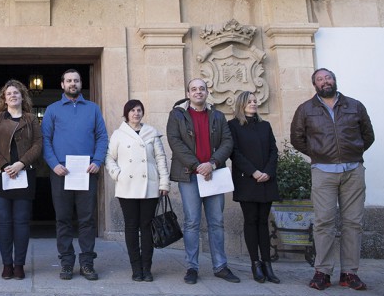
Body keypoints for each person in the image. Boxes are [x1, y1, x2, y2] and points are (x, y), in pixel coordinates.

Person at [290, 68, 375, 291]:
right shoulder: (306, 109)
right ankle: (323, 272)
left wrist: (352, 152)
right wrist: (319, 154)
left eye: (328, 78)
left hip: (352, 171)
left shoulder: (354, 105)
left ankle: (349, 272)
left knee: (353, 223)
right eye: (320, 79)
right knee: (323, 222)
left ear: (334, 80)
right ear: (314, 85)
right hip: (323, 172)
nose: (324, 81)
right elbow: (297, 138)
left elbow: (368, 135)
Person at [166, 78, 239, 285]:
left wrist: (213, 164)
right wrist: (199, 166)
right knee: (192, 222)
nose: (198, 92)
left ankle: (220, 266)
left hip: (214, 174)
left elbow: (228, 142)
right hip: (189, 175)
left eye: (202, 89)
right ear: (188, 93)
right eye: (194, 89)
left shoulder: (217, 116)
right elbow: (175, 142)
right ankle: (192, 267)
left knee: (216, 221)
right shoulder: (177, 115)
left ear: (207, 92)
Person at [42, 69, 108, 281]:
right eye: (69, 81)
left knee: (87, 219)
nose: (73, 84)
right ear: (62, 84)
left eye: (76, 80)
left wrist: (97, 161)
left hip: (87, 171)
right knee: (63, 219)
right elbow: (45, 141)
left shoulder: (93, 109)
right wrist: (54, 165)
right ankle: (67, 263)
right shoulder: (52, 110)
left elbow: (102, 137)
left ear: (81, 84)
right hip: (61, 172)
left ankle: (87, 263)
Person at [0, 80, 43, 280]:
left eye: (16, 93)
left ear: (22, 96)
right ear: (4, 98)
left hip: (24, 174)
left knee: (21, 222)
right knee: (4, 222)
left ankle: (19, 264)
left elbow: (38, 144)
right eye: (8, 93)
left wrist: (21, 164)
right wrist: (3, 165)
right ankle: (6, 264)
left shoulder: (31, 118)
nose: (12, 96)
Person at [105, 99, 169, 282]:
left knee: (147, 227)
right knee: (131, 227)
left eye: (139, 110)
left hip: (150, 185)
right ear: (126, 113)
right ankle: (136, 268)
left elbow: (161, 159)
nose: (136, 113)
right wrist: (117, 174)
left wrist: (164, 183)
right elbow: (109, 157)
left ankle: (147, 267)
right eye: (132, 110)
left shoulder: (151, 133)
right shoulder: (119, 134)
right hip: (127, 186)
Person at [228, 91, 280, 284]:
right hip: (247, 180)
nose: (253, 104)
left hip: (266, 180)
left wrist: (267, 171)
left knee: (263, 222)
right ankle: (255, 263)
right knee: (251, 220)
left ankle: (267, 264)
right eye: (249, 101)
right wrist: (254, 172)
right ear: (241, 104)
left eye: (255, 101)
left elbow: (273, 150)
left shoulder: (265, 126)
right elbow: (235, 152)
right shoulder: (233, 126)